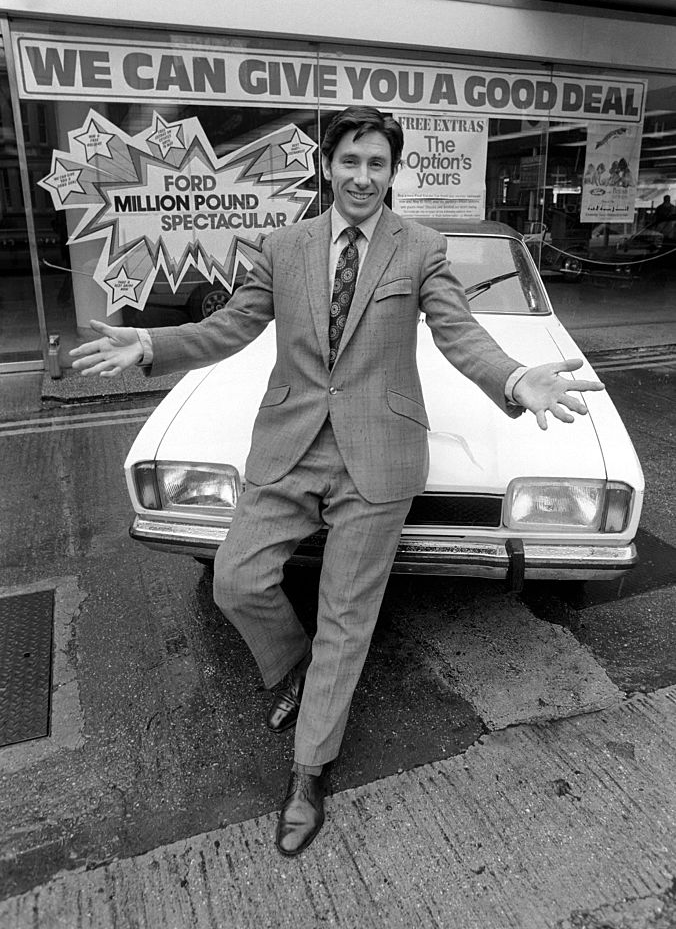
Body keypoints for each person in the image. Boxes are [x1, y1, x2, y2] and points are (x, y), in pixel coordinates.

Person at [70, 106, 604, 858]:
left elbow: (458, 332)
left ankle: (309, 772)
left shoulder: (420, 248)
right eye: (351, 161)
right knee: (236, 580)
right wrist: (152, 343)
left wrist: (516, 379)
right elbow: (230, 328)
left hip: (380, 454)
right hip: (290, 444)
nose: (362, 177)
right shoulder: (283, 244)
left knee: (346, 618)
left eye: (377, 165)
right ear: (330, 165)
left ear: (393, 172)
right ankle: (291, 666)